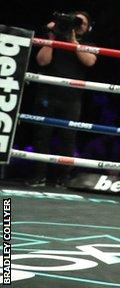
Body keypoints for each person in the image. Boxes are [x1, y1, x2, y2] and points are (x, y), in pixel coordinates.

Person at [26, 11, 96, 187]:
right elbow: (42, 61)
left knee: (68, 138)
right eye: (76, 21)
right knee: (42, 136)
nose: (79, 25)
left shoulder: (87, 43)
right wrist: (53, 38)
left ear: (87, 28)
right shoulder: (55, 40)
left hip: (71, 99)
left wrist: (73, 41)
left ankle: (64, 178)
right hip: (47, 95)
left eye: (82, 23)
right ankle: (39, 175)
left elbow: (89, 61)